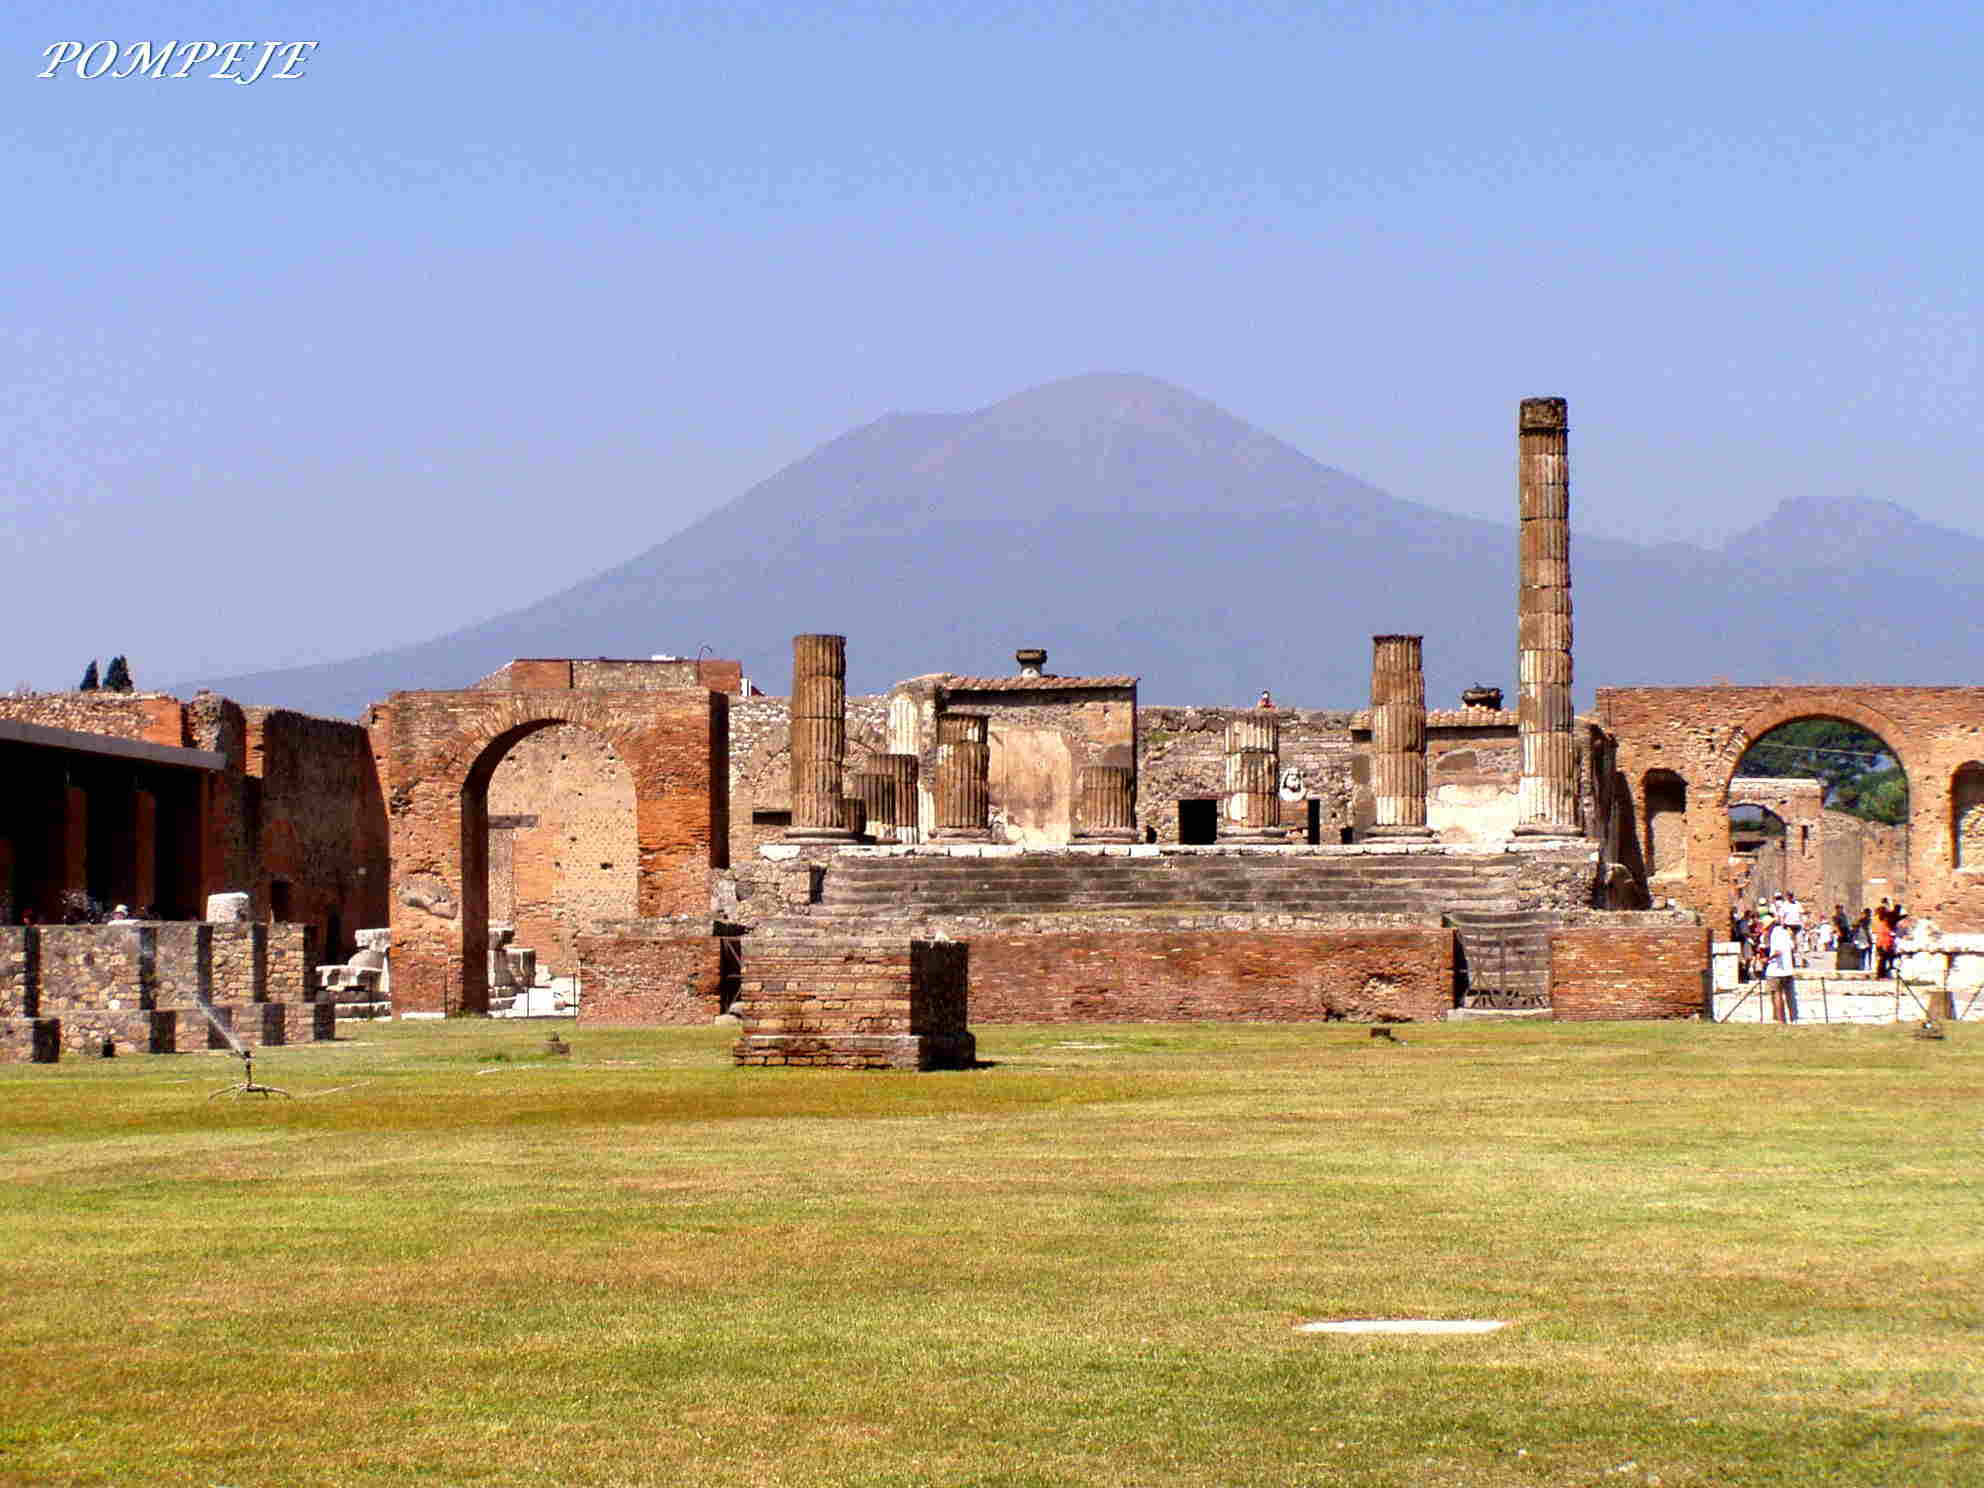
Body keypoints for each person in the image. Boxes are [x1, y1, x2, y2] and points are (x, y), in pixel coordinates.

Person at [1766, 915, 1798, 1023]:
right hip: (1788, 969)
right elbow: (1793, 948)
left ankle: (1781, 1020)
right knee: (1790, 996)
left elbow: (1777, 951)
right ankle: (1794, 1019)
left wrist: (1767, 959)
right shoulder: (1785, 933)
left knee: (1777, 994)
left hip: (1776, 969)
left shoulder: (1774, 934)